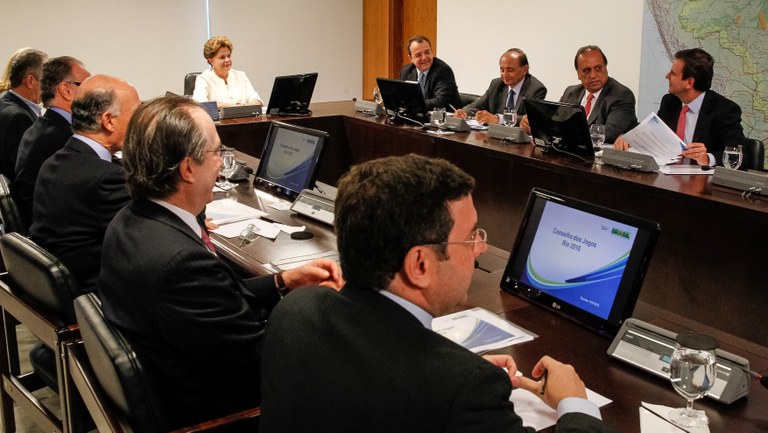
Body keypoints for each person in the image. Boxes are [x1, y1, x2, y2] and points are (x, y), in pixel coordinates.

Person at [260, 154, 616, 433]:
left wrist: (451, 363)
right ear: (420, 265)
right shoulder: (465, 390)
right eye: (471, 237)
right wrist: (575, 404)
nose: (480, 249)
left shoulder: (297, 307)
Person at [98, 95, 342, 431]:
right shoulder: (180, 264)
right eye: (217, 152)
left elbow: (221, 297)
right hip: (223, 415)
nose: (222, 161)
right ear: (188, 169)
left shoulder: (130, 221)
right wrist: (319, 316)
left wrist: (283, 281)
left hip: (181, 380)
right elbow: (262, 363)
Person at [30, 75, 139, 291]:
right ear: (109, 121)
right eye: (137, 115)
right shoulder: (106, 178)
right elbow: (142, 243)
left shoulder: (56, 161)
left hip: (63, 286)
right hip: (100, 292)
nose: (141, 124)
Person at [614, 48, 746, 166]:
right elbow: (653, 133)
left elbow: (742, 153)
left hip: (700, 180)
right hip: (666, 174)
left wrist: (707, 158)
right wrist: (628, 138)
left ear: (689, 82)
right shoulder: (670, 102)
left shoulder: (724, 110)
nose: (667, 76)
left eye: (673, 73)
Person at [13, 56, 91, 228]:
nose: (94, 95)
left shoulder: (43, 126)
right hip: (53, 229)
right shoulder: (64, 137)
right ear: (66, 90)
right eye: (87, 86)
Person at [521, 45, 636, 144]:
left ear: (606, 69)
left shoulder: (621, 95)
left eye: (598, 68)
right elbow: (556, 121)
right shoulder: (571, 92)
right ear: (578, 75)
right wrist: (534, 124)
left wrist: (567, 132)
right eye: (586, 70)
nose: (593, 75)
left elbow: (610, 132)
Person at [456, 48, 547, 125]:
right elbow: (475, 106)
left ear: (524, 69)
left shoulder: (536, 89)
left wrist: (499, 119)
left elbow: (530, 120)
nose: (505, 75)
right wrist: (463, 112)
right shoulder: (496, 84)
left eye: (510, 70)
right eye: (502, 70)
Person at [0, 48, 47, 178]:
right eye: (46, 80)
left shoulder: (4, 103)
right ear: (30, 81)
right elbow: (27, 172)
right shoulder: (20, 118)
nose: (50, 86)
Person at [192, 36, 262, 107]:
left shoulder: (241, 76)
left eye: (229, 56)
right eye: (222, 57)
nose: (227, 60)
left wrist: (251, 104)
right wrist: (233, 106)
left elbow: (257, 100)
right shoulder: (204, 79)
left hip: (244, 114)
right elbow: (199, 104)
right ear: (211, 61)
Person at [400, 35, 461, 111]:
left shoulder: (443, 70)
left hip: (444, 116)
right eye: (418, 55)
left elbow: (440, 101)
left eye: (427, 52)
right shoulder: (406, 71)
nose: (424, 58)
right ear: (410, 58)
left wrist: (413, 105)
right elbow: (402, 98)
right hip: (418, 115)